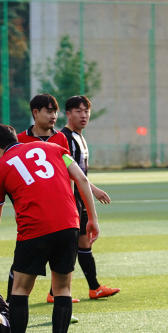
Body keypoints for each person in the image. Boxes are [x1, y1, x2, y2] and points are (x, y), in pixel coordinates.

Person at [0, 124, 99, 333]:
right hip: (70, 225)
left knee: (21, 289)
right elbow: (81, 179)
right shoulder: (55, 148)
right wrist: (92, 218)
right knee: (63, 289)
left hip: (34, 230)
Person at [12, 93, 76, 305]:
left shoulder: (61, 138)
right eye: (49, 111)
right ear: (35, 113)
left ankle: (60, 301)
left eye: (55, 111)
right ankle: (9, 306)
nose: (53, 115)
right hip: (34, 215)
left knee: (62, 265)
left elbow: (70, 175)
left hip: (62, 214)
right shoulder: (20, 140)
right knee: (21, 267)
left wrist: (72, 203)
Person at [60, 95, 120, 300]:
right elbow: (69, 172)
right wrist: (93, 189)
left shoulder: (79, 136)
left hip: (80, 198)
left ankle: (94, 288)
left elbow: (80, 173)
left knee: (83, 243)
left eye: (86, 111)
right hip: (70, 199)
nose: (83, 115)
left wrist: (89, 189)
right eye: (78, 111)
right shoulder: (65, 138)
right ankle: (56, 292)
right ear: (68, 114)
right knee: (69, 245)